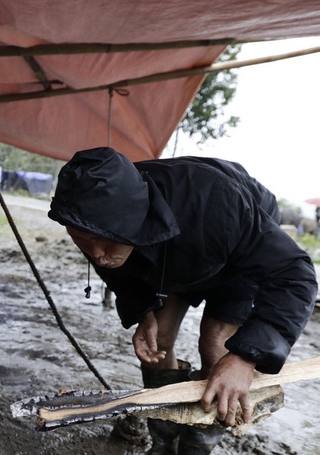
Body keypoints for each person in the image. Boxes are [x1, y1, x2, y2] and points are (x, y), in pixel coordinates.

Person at [48, 147, 317, 454]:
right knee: (157, 340)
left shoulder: (220, 204)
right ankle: (163, 439)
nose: (96, 254)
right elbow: (114, 264)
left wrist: (246, 357)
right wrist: (143, 309)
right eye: (82, 240)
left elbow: (294, 273)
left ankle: (197, 445)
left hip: (230, 242)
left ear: (137, 219)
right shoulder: (97, 214)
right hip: (170, 251)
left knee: (217, 343)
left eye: (106, 240)